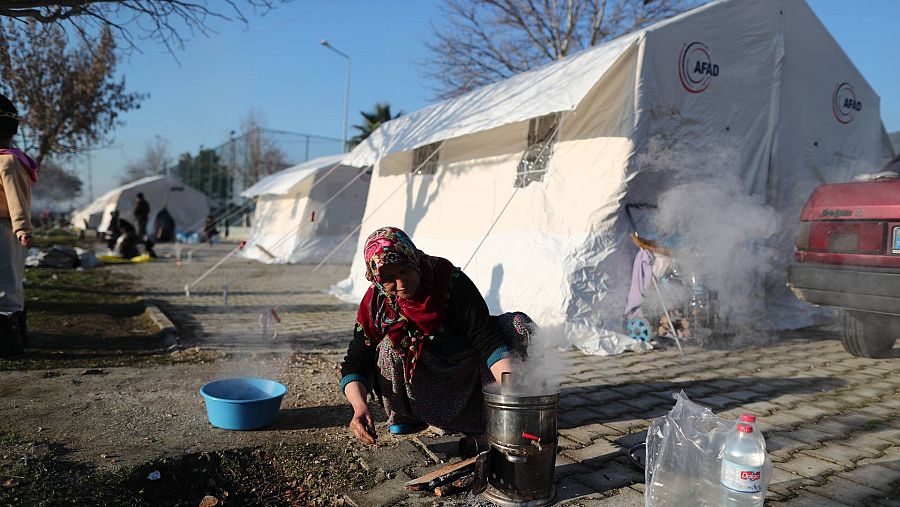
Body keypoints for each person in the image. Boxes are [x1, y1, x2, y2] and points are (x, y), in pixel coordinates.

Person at [339, 227, 535, 445]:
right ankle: (408, 415)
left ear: (414, 260)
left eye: (404, 270)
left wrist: (509, 391)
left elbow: (487, 338)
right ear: (376, 278)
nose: (401, 284)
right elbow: (356, 361)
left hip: (471, 369)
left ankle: (498, 411)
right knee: (388, 347)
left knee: (517, 325)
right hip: (427, 383)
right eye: (390, 278)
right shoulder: (376, 304)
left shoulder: (449, 281)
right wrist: (359, 407)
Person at [0, 94, 37, 357]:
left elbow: (16, 198)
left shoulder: (8, 161)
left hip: (5, 228)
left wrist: (22, 227)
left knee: (8, 281)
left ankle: (9, 336)